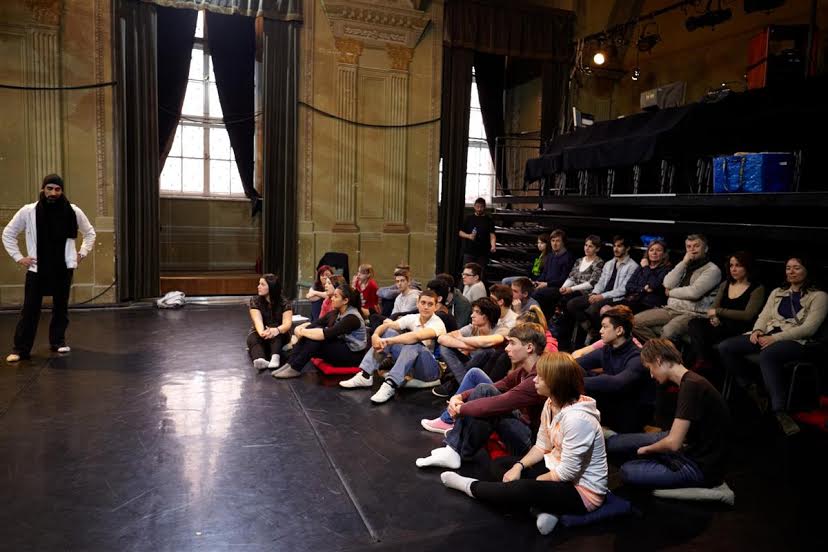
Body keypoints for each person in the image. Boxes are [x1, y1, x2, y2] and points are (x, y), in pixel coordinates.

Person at [438, 352, 608, 536]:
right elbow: (541, 446)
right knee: (501, 466)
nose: (535, 380)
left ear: (556, 383)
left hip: (581, 491)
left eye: (541, 377)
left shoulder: (577, 419)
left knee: (522, 488)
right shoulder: (550, 403)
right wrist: (518, 466)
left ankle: (468, 486)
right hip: (556, 467)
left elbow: (568, 472)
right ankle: (542, 510)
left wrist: (534, 483)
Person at [717, 256, 827, 436]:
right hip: (769, 335)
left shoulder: (819, 296)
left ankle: (779, 410)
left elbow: (809, 328)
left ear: (807, 271)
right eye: (788, 268)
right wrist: (757, 330)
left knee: (768, 354)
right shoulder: (778, 292)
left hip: (796, 341)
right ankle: (753, 390)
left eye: (796, 268)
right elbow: (764, 315)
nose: (791, 272)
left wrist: (775, 338)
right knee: (725, 347)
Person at [608, 339, 731, 496]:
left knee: (627, 471)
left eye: (650, 368)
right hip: (691, 447)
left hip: (701, 467)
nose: (651, 375)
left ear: (659, 360)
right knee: (615, 443)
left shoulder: (691, 386)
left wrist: (647, 449)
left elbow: (674, 443)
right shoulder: (690, 381)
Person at [416, 324, 547, 461]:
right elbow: (500, 385)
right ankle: (454, 449)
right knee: (483, 388)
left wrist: (460, 409)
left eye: (512, 343)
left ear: (529, 347)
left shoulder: (538, 377)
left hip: (530, 443)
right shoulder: (524, 370)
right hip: (522, 426)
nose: (507, 348)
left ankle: (455, 450)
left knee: (485, 394)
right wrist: (460, 396)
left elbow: (502, 401)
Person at [3, 174, 96, 362]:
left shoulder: (73, 211)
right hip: (38, 268)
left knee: (61, 308)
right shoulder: (28, 211)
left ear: (62, 191)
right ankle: (20, 349)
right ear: (43, 189)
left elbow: (89, 233)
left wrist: (82, 253)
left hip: (63, 268)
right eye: (50, 188)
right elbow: (8, 233)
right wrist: (19, 257)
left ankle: (58, 342)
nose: (53, 193)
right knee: (30, 309)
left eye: (57, 189)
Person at [340, 290, 446, 404]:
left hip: (431, 370)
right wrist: (375, 336)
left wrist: (387, 341)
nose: (426, 307)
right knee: (390, 331)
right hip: (412, 366)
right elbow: (386, 326)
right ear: (417, 303)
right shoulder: (413, 318)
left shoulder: (438, 323)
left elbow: (416, 336)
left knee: (413, 343)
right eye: (423, 303)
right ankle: (365, 375)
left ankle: (390, 384)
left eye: (430, 304)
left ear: (436, 307)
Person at [685, 252, 765, 372]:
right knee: (694, 323)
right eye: (731, 265)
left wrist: (719, 312)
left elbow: (747, 315)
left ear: (747, 267)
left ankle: (697, 366)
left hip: (739, 328)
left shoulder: (757, 288)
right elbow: (712, 309)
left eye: (738, 265)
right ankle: (702, 362)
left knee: (699, 339)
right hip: (720, 324)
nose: (733, 269)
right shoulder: (726, 284)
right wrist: (714, 318)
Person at [634, 234, 722, 342]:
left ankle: (659, 350)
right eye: (689, 246)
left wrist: (670, 293)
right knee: (634, 322)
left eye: (696, 246)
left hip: (693, 313)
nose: (692, 249)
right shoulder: (685, 265)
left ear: (706, 248)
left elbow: (694, 293)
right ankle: (659, 348)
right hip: (672, 308)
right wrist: (683, 262)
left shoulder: (712, 270)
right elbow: (667, 283)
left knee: (668, 331)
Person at [577, 306, 651, 433]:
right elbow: (575, 364)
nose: (600, 331)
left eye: (605, 327)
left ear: (619, 330)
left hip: (629, 418)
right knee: (576, 371)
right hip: (611, 408)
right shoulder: (607, 350)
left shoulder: (637, 357)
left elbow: (617, 383)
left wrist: (574, 382)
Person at [271, 285, 368, 379]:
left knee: (315, 339)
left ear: (345, 300)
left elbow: (326, 334)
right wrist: (301, 329)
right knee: (312, 334)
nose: (332, 298)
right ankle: (290, 364)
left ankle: (295, 367)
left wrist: (302, 331)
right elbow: (314, 324)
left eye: (335, 296)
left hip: (352, 355)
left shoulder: (352, 318)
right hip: (341, 347)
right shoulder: (336, 313)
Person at [566, 236, 637, 348]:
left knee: (593, 309)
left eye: (619, 246)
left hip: (616, 298)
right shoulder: (609, 263)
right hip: (601, 294)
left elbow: (623, 289)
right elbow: (601, 282)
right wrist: (595, 293)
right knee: (572, 304)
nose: (615, 249)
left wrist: (601, 296)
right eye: (614, 246)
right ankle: (591, 330)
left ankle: (599, 338)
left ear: (627, 248)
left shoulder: (632, 266)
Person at [433, 297, 504, 398]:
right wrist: (467, 346)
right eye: (473, 311)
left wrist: (462, 339)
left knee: (486, 351)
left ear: (487, 315)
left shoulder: (500, 328)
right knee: (444, 348)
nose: (472, 315)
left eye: (477, 312)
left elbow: (489, 341)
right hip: (469, 363)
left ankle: (456, 385)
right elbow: (442, 338)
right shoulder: (471, 328)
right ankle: (464, 386)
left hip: (487, 370)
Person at [246, 274, 294, 370]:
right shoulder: (255, 301)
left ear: (271, 287)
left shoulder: (284, 302)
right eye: (259, 284)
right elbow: (257, 320)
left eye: (262, 284)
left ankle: (275, 357)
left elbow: (287, 324)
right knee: (252, 338)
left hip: (279, 332)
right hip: (261, 332)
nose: (258, 287)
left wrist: (276, 330)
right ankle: (260, 359)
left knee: (276, 335)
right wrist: (262, 333)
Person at [532, 229, 575, 319]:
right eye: (553, 241)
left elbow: (564, 280)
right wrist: (537, 282)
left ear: (563, 242)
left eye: (558, 241)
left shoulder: (568, 257)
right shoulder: (550, 256)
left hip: (558, 288)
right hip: (547, 285)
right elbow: (544, 274)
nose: (554, 244)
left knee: (537, 293)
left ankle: (537, 320)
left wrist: (547, 284)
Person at [621, 239, 671, 313]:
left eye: (658, 250)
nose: (654, 253)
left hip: (649, 304)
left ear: (664, 254)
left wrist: (646, 268)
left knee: (617, 313)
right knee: (606, 308)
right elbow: (628, 286)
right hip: (633, 300)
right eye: (651, 250)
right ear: (648, 253)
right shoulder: (641, 267)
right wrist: (643, 289)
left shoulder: (666, 270)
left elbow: (654, 284)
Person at [459, 197, 496, 268]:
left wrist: (493, 245)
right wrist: (469, 236)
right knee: (467, 271)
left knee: (481, 272)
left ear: (484, 207)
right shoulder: (469, 218)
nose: (479, 209)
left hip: (483, 252)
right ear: (474, 206)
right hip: (469, 252)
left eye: (481, 207)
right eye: (477, 207)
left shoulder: (489, 220)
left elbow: (492, 235)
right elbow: (460, 232)